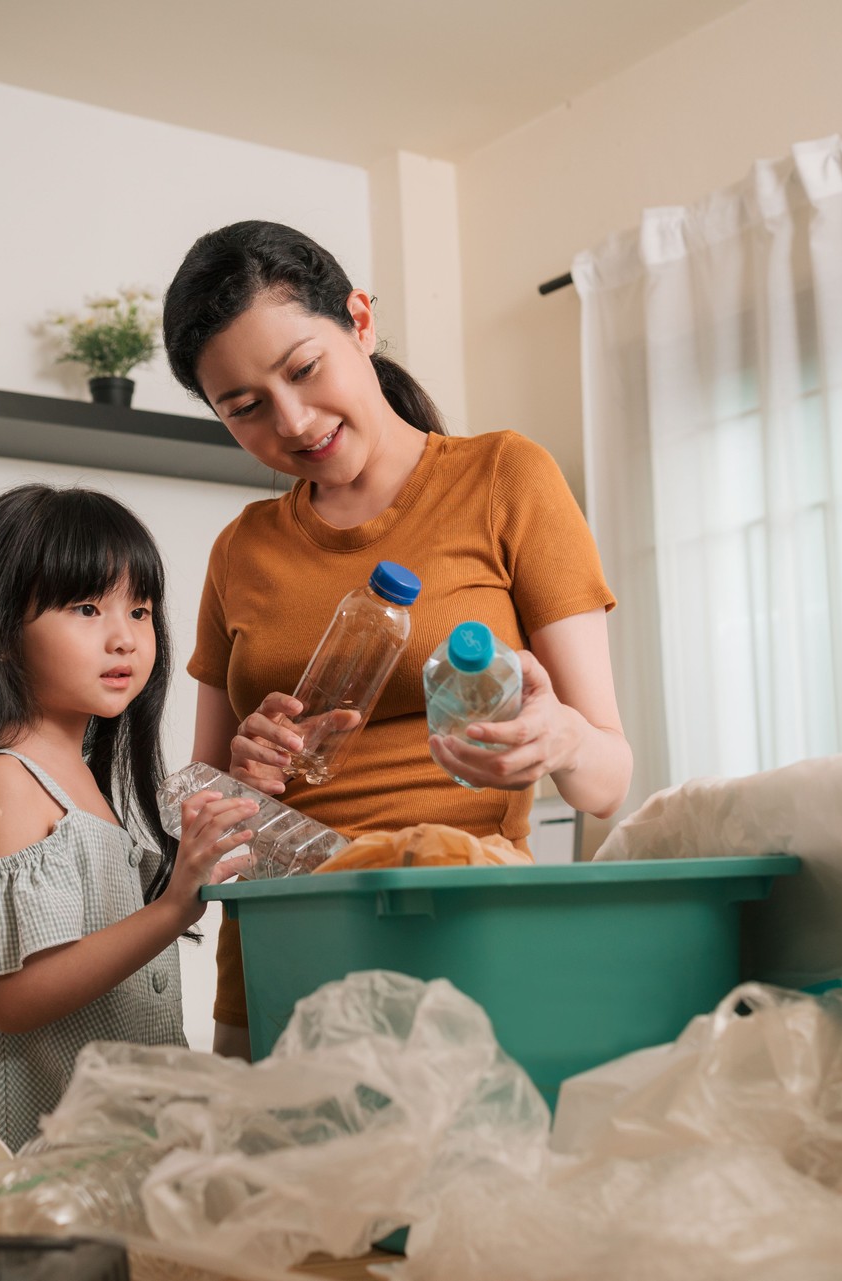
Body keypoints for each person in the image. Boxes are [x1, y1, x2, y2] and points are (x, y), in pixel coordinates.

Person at [163, 221, 633, 1057]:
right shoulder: (241, 548)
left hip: (462, 915)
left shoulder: (504, 478)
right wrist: (242, 772)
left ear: (360, 321)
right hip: (284, 934)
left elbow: (606, 782)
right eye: (245, 409)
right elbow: (202, 796)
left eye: (304, 369)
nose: (295, 421)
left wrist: (557, 733)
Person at [0, 483, 257, 1149]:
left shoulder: (79, 777)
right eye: (86, 607)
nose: (124, 638)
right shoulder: (5, 780)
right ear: (3, 629)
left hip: (90, 1148)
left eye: (139, 610)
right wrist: (173, 908)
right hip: (25, 1153)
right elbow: (13, 1001)